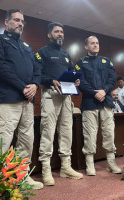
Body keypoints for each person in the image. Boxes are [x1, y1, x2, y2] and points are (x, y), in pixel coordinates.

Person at [0, 9, 43, 189]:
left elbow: (37, 70)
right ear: (6, 22)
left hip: (27, 102)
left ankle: (22, 177)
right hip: (8, 101)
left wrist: (34, 85)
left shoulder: (26, 47)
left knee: (26, 142)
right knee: (1, 143)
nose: (20, 24)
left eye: (22, 21)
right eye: (16, 20)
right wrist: (23, 87)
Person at [36, 22, 83, 186]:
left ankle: (65, 167)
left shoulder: (65, 54)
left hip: (66, 96)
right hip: (50, 94)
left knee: (66, 131)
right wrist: (51, 80)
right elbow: (36, 74)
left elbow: (71, 72)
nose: (60, 34)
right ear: (49, 35)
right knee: (47, 132)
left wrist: (76, 80)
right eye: (56, 32)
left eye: (62, 32)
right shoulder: (42, 52)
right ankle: (46, 170)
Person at [75, 35, 121, 176]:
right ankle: (90, 163)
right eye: (92, 43)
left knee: (108, 132)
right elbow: (80, 81)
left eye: (97, 43)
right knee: (90, 133)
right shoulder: (81, 62)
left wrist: (104, 90)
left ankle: (111, 163)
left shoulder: (106, 61)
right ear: (86, 46)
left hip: (106, 102)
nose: (95, 45)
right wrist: (94, 92)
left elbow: (112, 78)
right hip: (90, 103)